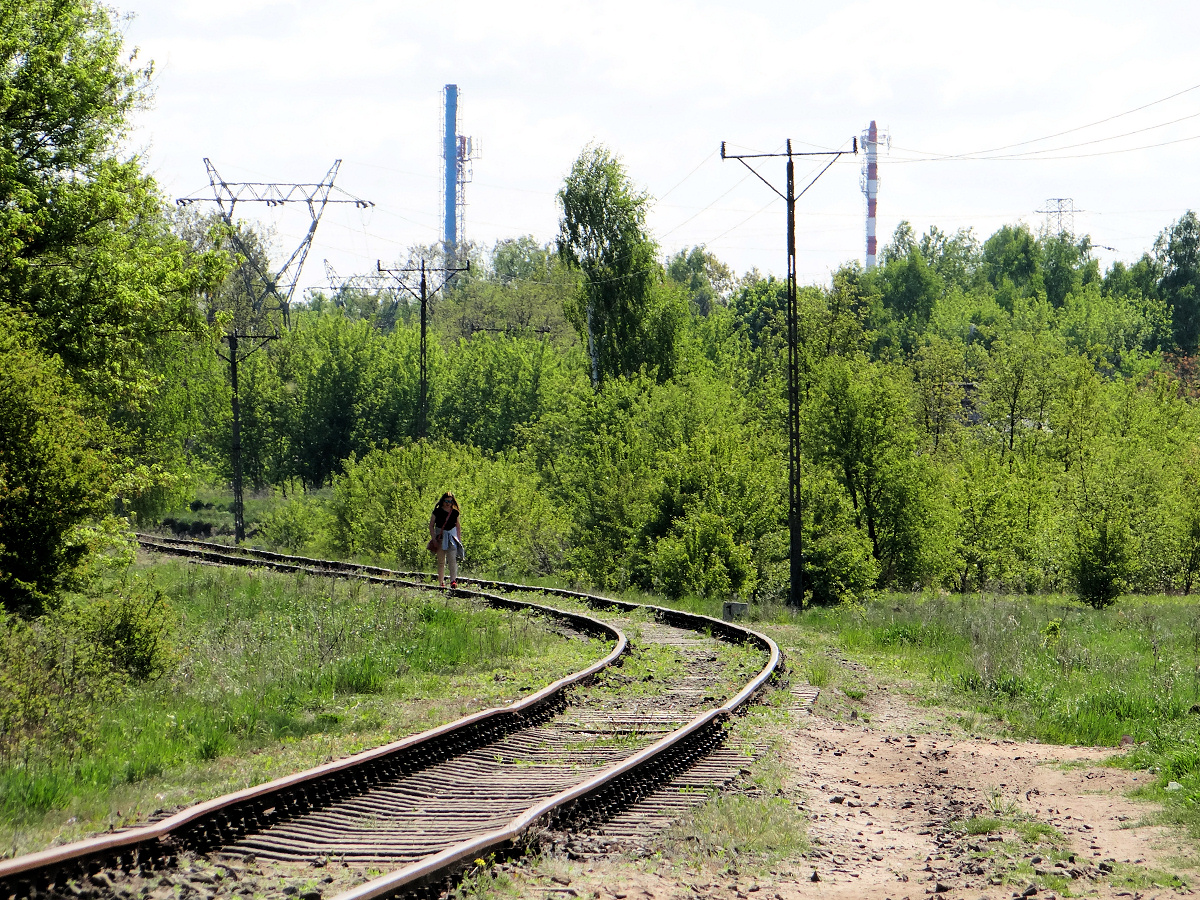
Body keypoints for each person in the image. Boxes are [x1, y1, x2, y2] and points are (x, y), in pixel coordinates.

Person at [429, 492, 463, 588]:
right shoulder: (437, 512)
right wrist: (434, 539)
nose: (448, 503)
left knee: (452, 559)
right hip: (440, 538)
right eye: (446, 501)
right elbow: (431, 525)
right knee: (441, 562)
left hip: (452, 538)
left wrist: (459, 540)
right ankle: (441, 582)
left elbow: (458, 527)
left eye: (450, 501)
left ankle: (453, 580)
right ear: (443, 501)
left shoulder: (455, 513)